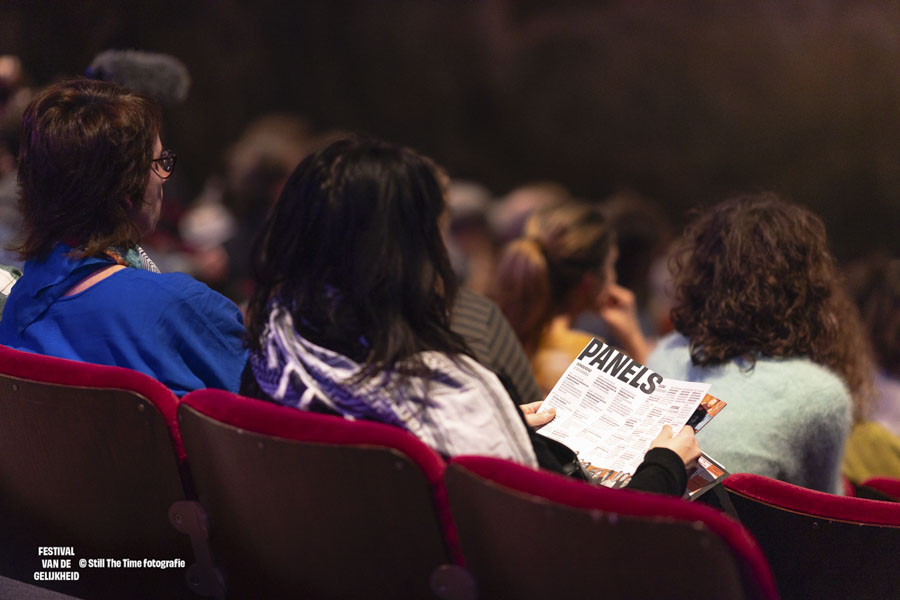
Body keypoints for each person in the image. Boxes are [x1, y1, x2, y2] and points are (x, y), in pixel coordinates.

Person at [240, 137, 699, 495]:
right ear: (411, 255)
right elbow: (587, 537)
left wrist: (506, 423)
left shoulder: (272, 351)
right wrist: (663, 466)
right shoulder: (449, 396)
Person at [0, 78, 246, 396]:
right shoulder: (180, 307)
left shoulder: (17, 306)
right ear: (126, 190)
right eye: (159, 163)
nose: (163, 180)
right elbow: (267, 429)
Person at [648, 193, 873, 494]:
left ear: (701, 275)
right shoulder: (822, 394)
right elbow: (825, 513)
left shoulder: (667, 351)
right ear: (807, 286)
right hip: (744, 540)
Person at [493, 201, 651, 394]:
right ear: (590, 283)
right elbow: (660, 410)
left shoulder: (501, 337)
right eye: (611, 265)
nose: (614, 277)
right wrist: (634, 339)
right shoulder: (590, 357)